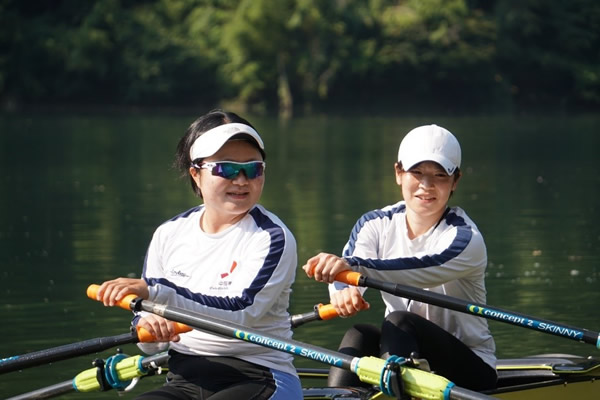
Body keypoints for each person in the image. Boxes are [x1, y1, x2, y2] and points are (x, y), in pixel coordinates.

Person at [95, 110, 302, 399]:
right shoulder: (168, 234)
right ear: (196, 173)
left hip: (259, 375)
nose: (242, 180)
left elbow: (240, 313)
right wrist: (149, 325)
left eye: (253, 169)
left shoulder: (271, 237)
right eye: (227, 169)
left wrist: (156, 294)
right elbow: (150, 341)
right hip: (183, 376)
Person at [302, 124, 497, 391]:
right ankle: (339, 396)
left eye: (440, 175)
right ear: (398, 173)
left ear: (455, 181)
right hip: (403, 349)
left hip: (470, 368)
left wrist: (351, 269)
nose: (426, 186)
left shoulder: (465, 238)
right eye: (416, 173)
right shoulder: (374, 224)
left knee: (398, 322)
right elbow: (347, 269)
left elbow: (418, 269)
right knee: (358, 335)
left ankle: (394, 385)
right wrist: (344, 290)